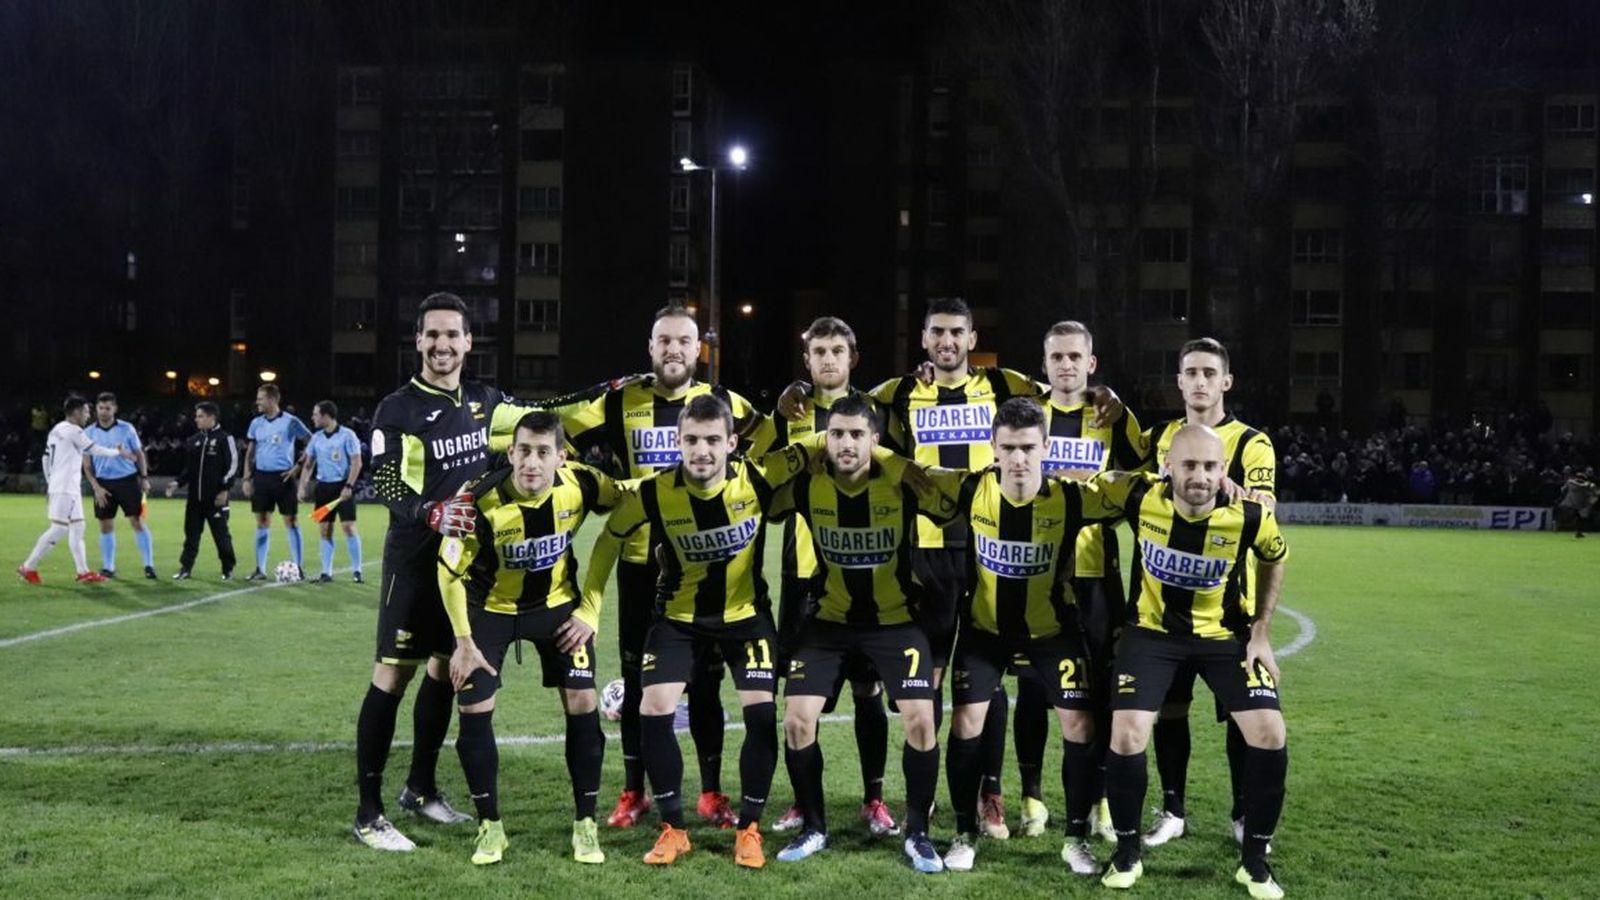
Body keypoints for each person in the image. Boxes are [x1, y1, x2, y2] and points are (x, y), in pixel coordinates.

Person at [351, 292, 612, 852]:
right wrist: (430, 512)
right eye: (432, 335)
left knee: (447, 672)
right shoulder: (398, 408)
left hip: (467, 572)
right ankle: (368, 812)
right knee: (392, 678)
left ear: (470, 342)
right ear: (418, 341)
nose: (443, 345)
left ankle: (420, 789)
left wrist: (605, 394)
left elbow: (550, 418)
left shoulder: (484, 402)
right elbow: (386, 480)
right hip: (417, 565)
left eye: (453, 335)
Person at [581, 394, 826, 869]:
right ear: (678, 442)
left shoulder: (757, 476)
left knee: (759, 712)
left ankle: (749, 828)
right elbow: (610, 538)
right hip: (678, 620)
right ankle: (674, 828)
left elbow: (820, 439)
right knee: (653, 707)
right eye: (691, 440)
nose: (702, 451)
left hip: (746, 618)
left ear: (732, 443)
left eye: (713, 440)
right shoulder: (654, 492)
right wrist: (590, 608)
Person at [563, 305, 775, 830]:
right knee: (639, 685)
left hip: (709, 568)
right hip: (640, 568)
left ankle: (709, 792)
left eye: (683, 341)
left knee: (705, 687)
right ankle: (635, 792)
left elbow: (770, 441)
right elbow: (560, 429)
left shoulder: (725, 404)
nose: (674, 350)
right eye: (664, 341)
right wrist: (588, 480)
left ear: (698, 348)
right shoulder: (620, 401)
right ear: (651, 348)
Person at [917, 399, 1125, 874]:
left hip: (1052, 631)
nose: (1018, 459)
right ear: (992, 447)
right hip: (984, 631)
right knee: (966, 722)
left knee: (1081, 726)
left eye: (1028, 448)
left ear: (1046, 447)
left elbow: (1134, 492)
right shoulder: (970, 489)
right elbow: (909, 476)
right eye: (1008, 447)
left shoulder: (1072, 497)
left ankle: (1075, 839)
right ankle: (965, 833)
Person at [862, 296, 1041, 839]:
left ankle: (992, 793)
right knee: (931, 678)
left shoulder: (1006, 386)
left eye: (956, 333)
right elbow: (845, 406)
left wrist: (1102, 394)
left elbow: (1062, 395)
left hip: (990, 545)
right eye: (936, 332)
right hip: (926, 550)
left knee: (991, 673)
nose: (946, 342)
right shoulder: (898, 393)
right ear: (923, 340)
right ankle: (931, 794)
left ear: (971, 337)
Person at [1096, 425, 1290, 899]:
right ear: (1167, 466)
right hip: (1151, 634)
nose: (1199, 476)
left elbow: (1275, 557)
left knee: (1270, 732)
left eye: (1209, 466)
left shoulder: (1248, 516)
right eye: (1189, 465)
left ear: (1223, 470)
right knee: (1126, 733)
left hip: (1225, 638)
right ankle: (1126, 852)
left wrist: (1261, 629)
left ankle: (1255, 861)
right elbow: (1085, 485)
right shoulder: (1139, 496)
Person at [765, 394, 943, 870]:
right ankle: (814, 828)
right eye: (837, 434)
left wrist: (893, 461)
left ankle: (918, 834)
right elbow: (762, 489)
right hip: (828, 623)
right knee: (798, 720)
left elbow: (946, 503)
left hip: (896, 623)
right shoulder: (808, 487)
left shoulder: (901, 484)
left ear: (875, 441)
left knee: (921, 721)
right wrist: (805, 450)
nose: (845, 443)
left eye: (857, 435)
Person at [438, 412, 622, 866]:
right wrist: (464, 642)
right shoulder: (479, 500)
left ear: (562, 456)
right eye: (523, 451)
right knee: (474, 708)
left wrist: (591, 608)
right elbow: (448, 572)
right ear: (511, 452)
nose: (532, 463)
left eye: (543, 452)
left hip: (558, 609)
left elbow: (630, 505)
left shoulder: (582, 484)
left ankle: (585, 823)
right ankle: (490, 827)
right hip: (490, 612)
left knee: (582, 702)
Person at [1139, 337, 1278, 850]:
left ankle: (1243, 813)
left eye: (1209, 372)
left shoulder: (1252, 443)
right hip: (1163, 609)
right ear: (1179, 381)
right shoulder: (1161, 437)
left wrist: (1242, 492)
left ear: (1226, 382)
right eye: (1190, 372)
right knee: (1170, 710)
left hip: (1228, 610)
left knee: (1241, 717)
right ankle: (1173, 810)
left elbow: (1263, 502)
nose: (1199, 381)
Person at [766, 317, 899, 839]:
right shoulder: (789, 413)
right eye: (818, 351)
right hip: (804, 575)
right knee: (804, 699)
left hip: (865, 571)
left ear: (853, 357)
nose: (827, 360)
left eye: (837, 350)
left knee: (867, 691)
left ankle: (874, 798)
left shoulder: (875, 413)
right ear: (806, 359)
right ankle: (803, 803)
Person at [1031, 321, 1146, 841]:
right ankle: (1032, 797)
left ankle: (1098, 798)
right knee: (1034, 688)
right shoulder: (1028, 413)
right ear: (1045, 363)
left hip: (1097, 574)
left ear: (1091, 364)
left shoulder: (1113, 418)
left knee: (1099, 691)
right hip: (1034, 571)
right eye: (1057, 357)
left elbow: (1146, 480)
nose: (1067, 365)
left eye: (1076, 357)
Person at [17, 395, 136, 584]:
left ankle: (83, 571)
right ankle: (28, 567)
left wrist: (50, 483)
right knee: (58, 529)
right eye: (87, 411)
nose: (89, 415)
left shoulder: (56, 429)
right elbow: (94, 449)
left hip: (66, 487)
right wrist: (118, 452)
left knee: (78, 527)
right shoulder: (73, 431)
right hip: (65, 487)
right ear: (77, 412)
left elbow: (45, 458)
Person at [82, 391, 157, 579]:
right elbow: (87, 465)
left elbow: (138, 455)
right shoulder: (88, 432)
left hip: (127, 480)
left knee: (137, 521)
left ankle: (149, 565)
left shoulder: (126, 429)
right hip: (103, 483)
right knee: (105, 525)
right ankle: (109, 567)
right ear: (96, 409)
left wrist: (144, 477)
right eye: (100, 408)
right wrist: (96, 486)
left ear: (115, 409)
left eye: (108, 408)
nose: (104, 412)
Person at [242, 383, 312, 580]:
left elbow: (311, 441)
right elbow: (250, 452)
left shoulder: (291, 422)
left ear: (272, 400)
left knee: (291, 521)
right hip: (262, 477)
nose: (257, 402)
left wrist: (298, 466)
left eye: (261, 398)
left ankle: (298, 567)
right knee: (262, 522)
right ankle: (260, 569)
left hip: (284, 477)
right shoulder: (256, 423)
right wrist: (247, 477)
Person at [164, 402, 240, 580]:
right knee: (191, 536)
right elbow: (189, 470)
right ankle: (185, 568)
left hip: (215, 500)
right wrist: (177, 482)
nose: (196, 419)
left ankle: (227, 569)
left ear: (211, 417)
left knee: (221, 537)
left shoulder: (224, 439)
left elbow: (233, 467)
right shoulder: (193, 441)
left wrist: (224, 490)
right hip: (194, 500)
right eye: (196, 416)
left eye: (200, 416)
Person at [297, 400, 364, 583]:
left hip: (342, 486)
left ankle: (357, 571)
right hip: (323, 488)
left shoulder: (347, 435)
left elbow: (356, 462)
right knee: (325, 530)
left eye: (316, 414)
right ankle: (326, 572)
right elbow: (308, 464)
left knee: (348, 527)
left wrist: (349, 486)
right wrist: (302, 486)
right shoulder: (316, 438)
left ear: (326, 416)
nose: (313, 417)